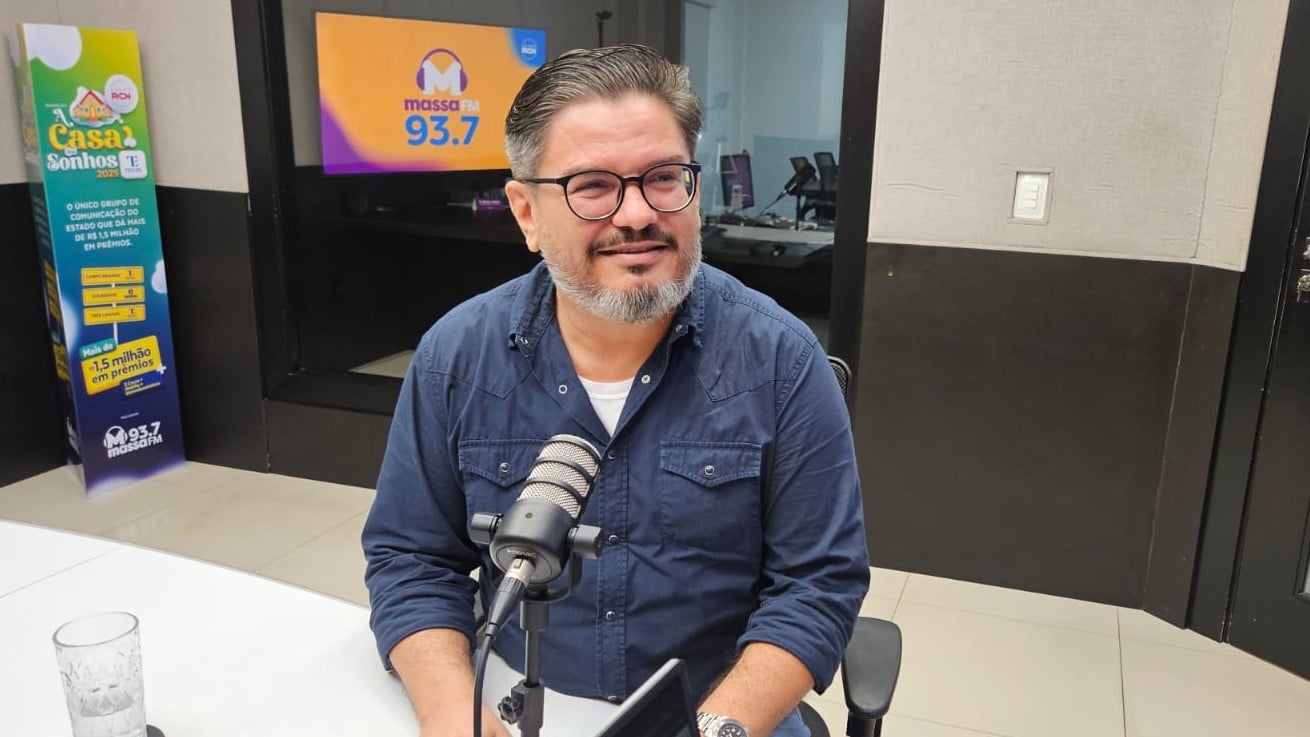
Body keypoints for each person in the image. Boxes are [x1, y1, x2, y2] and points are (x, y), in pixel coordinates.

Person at [362, 44, 869, 737]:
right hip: (516, 696)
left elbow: (818, 585)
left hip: (718, 710)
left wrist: (713, 726)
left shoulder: (781, 361)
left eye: (663, 177)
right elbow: (411, 560)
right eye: (593, 186)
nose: (636, 214)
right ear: (526, 213)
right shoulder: (457, 357)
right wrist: (455, 711)